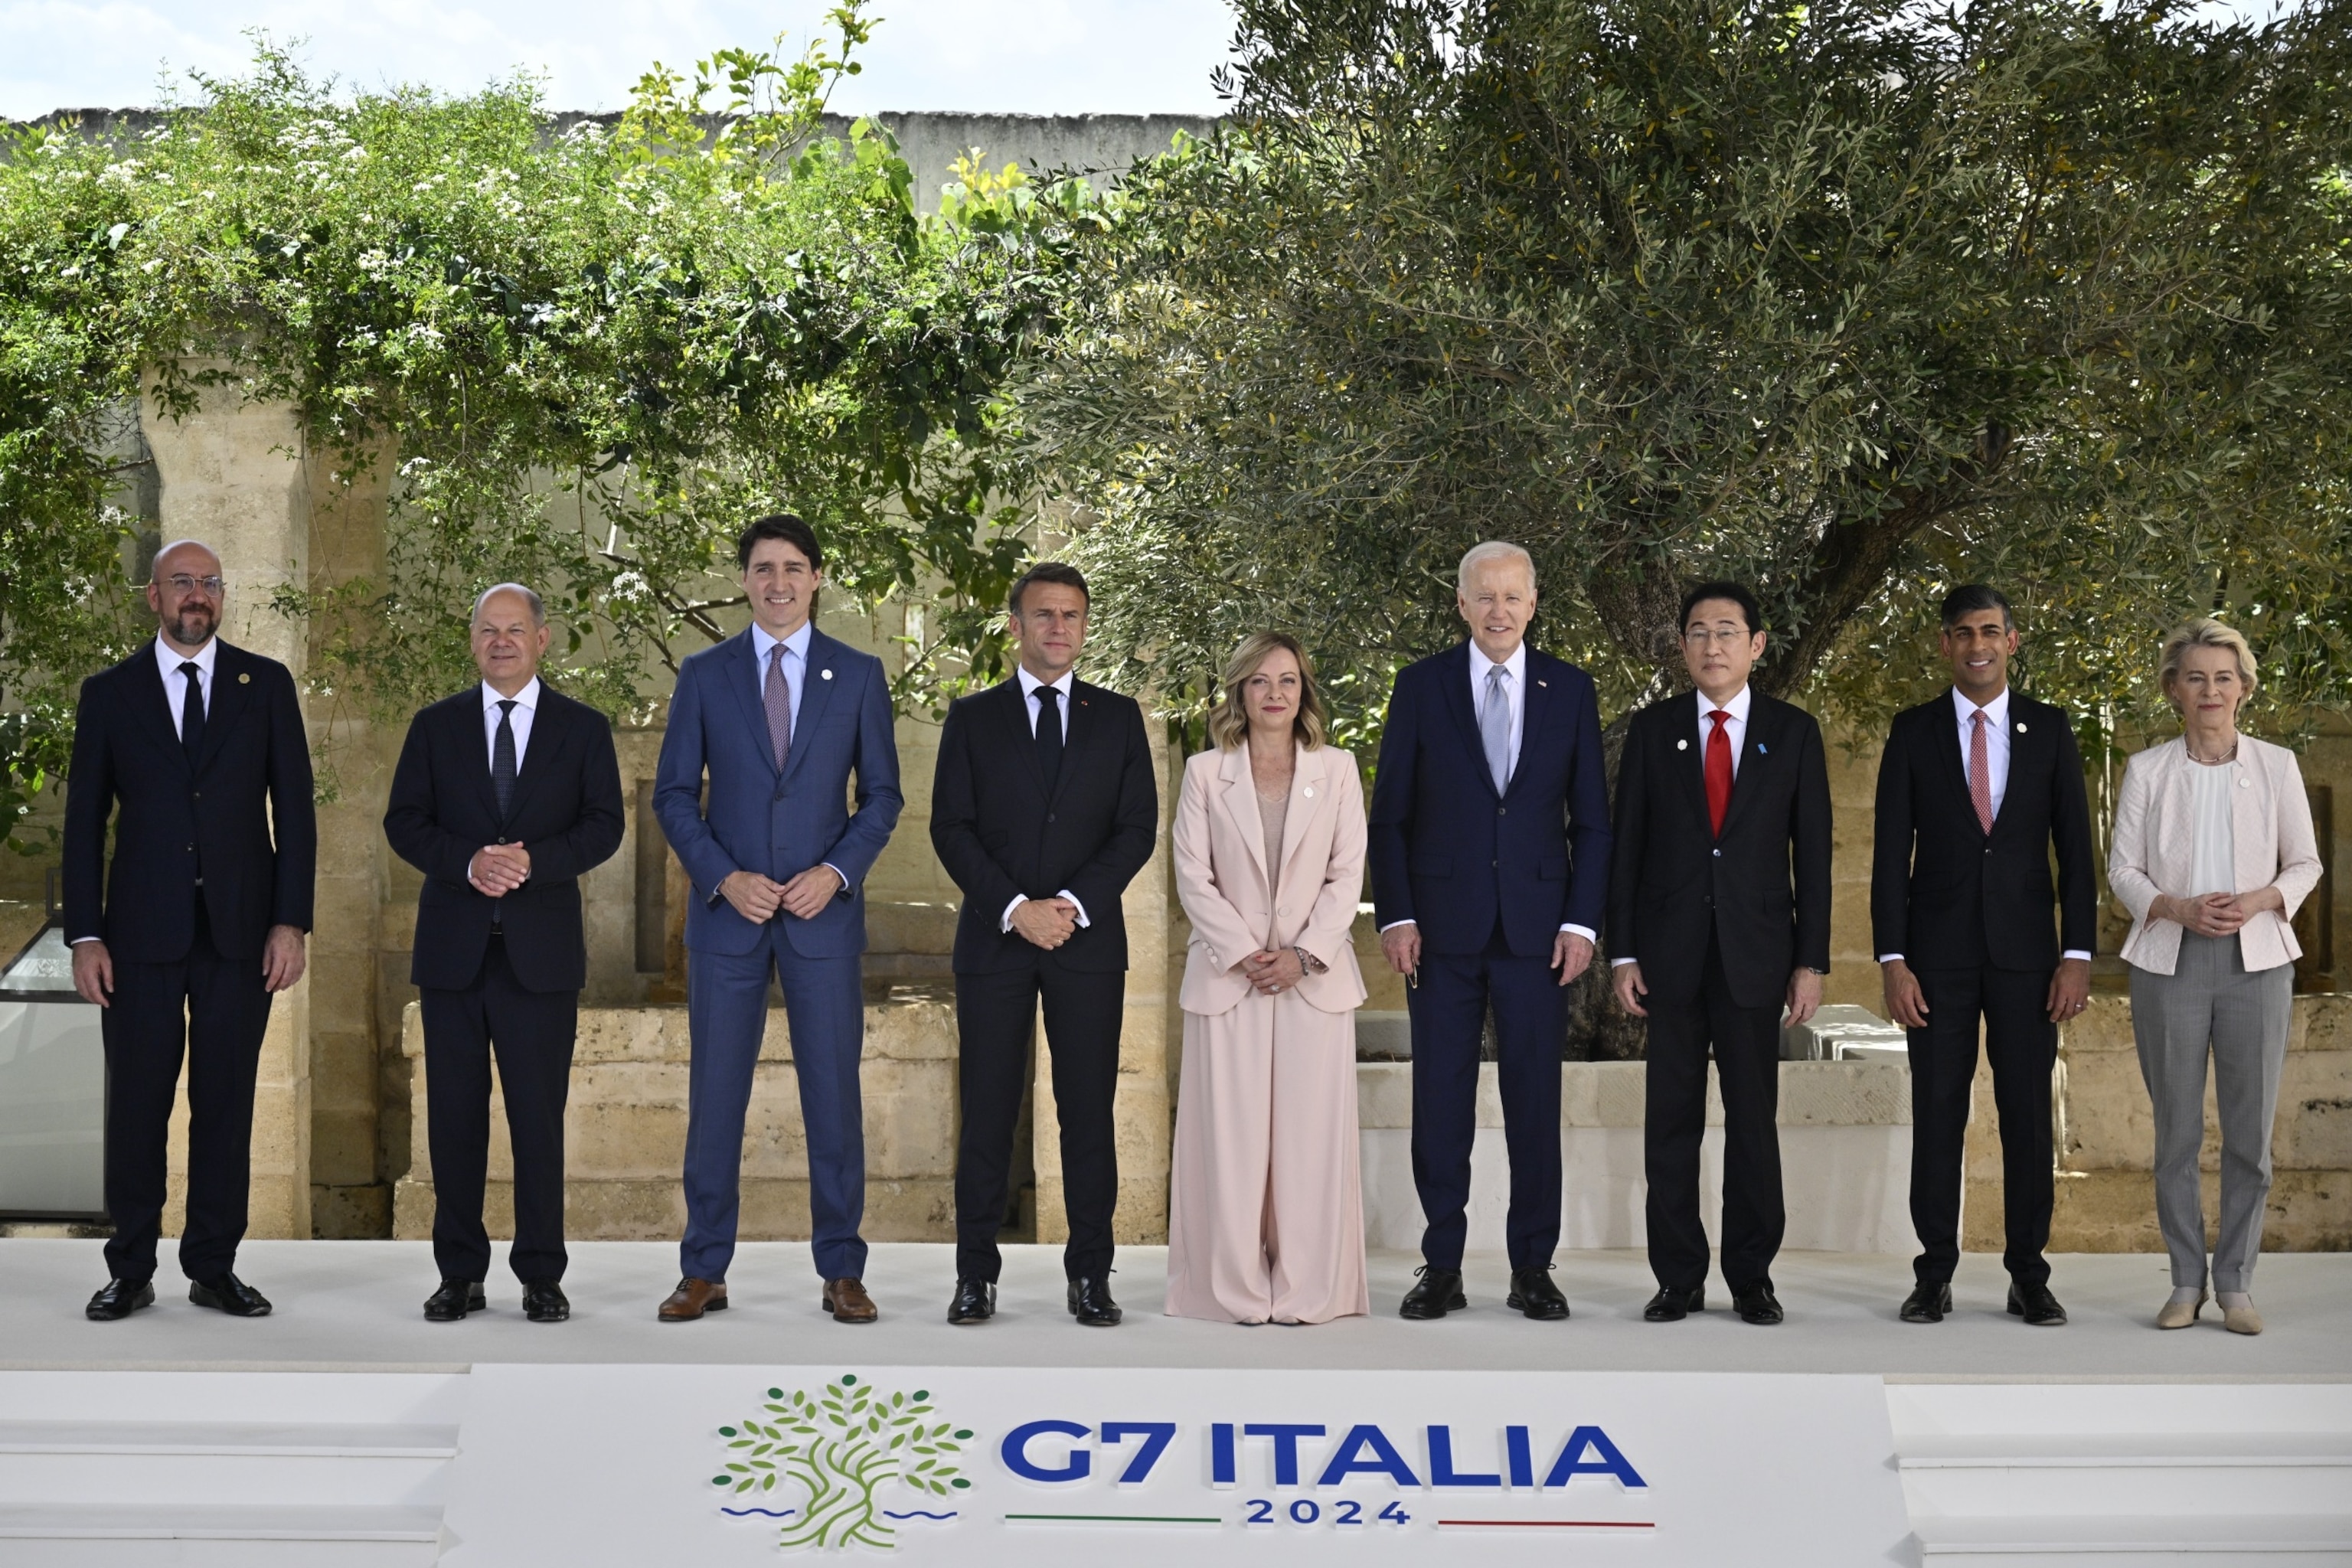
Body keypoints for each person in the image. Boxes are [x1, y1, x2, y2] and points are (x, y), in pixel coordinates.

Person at [652, 515, 903, 1325]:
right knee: (715, 1094)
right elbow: (671, 795)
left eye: (794, 567)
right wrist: (724, 877)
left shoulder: (858, 675)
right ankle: (703, 1268)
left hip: (821, 922)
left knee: (833, 1095)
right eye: (764, 568)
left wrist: (835, 873)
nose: (779, 581)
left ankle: (842, 1269)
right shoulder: (704, 674)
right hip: (728, 921)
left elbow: (884, 796)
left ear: (818, 578)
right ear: (746, 579)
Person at [65, 539, 315, 1321]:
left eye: (209, 582)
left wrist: (291, 920)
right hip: (137, 936)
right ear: (155, 596)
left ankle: (213, 1264)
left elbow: (297, 814)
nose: (197, 595)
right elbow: (82, 824)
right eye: (182, 583)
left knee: (226, 1103)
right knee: (137, 1104)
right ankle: (130, 1268)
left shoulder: (264, 685)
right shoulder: (110, 693)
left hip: (242, 934)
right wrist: (85, 935)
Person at [1368, 541, 1611, 1321]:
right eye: (1485, 596)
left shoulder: (1570, 690)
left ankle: (1532, 1267)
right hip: (1438, 933)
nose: (1499, 610)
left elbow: (1594, 824)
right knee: (1441, 1101)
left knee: (1535, 1102)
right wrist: (1397, 913)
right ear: (1462, 604)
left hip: (1540, 936)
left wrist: (1580, 920)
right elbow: (1391, 816)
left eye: (1513, 596)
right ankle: (1441, 1263)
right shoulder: (1420, 686)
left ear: (1534, 604)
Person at [383, 583, 625, 1324]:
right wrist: (468, 862)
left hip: (540, 957)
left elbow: (604, 826)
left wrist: (528, 864)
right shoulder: (435, 727)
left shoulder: (583, 729)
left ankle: (541, 1275)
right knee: (454, 1120)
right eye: (488, 630)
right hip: (454, 954)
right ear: (473, 639)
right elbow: (405, 822)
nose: (501, 642)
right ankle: (459, 1273)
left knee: (537, 1121)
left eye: (515, 630)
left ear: (543, 639)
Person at [931, 562, 1158, 1328]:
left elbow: (1136, 830)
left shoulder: (1120, 717)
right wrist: (1013, 907)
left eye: (1071, 615)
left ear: (1084, 626)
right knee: (989, 1109)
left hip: (1086, 941)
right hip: (996, 941)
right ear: (1015, 624)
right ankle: (975, 1275)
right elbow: (950, 827)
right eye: (1043, 614)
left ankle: (1091, 1274)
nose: (1058, 627)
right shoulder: (972, 717)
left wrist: (1069, 905)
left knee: (1086, 1109)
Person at [1609, 582, 1831, 1327]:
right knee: (1670, 1122)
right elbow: (1626, 852)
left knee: (1752, 1121)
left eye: (1728, 631)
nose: (1713, 645)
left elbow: (1817, 858)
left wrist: (1813, 960)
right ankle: (1677, 1276)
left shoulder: (1793, 732)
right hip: (1669, 958)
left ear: (1756, 644)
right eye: (1699, 632)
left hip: (1756, 956)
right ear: (1682, 646)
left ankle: (1751, 1276)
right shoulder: (1653, 731)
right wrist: (1623, 954)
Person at [1873, 584, 2096, 1327]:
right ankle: (1933, 1272)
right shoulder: (1912, 732)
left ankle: (2029, 1274)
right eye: (1963, 632)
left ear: (2013, 639)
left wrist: (2077, 953)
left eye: (1991, 631)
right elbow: (1886, 858)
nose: (1978, 644)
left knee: (2027, 1117)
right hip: (1934, 961)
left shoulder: (2051, 728)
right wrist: (1892, 959)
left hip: (2030, 960)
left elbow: (2076, 851)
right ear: (1945, 643)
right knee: (1938, 1114)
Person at [2109, 619, 2321, 1336]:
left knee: (2248, 1136)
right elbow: (2123, 871)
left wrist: (2262, 900)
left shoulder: (2277, 766)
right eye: (2195, 677)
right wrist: (2174, 907)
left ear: (2244, 688)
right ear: (2174, 690)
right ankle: (2184, 1281)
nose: (2210, 690)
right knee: (2174, 1133)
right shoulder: (2147, 770)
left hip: (2256, 964)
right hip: (2169, 963)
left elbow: (2305, 863)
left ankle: (2235, 1284)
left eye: (2224, 677)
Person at [1166, 632, 1371, 1325]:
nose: (1275, 693)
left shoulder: (1338, 770)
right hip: (1232, 979)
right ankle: (1229, 1291)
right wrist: (1247, 951)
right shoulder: (1204, 773)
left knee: (1310, 1144)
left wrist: (1304, 954)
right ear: (1240, 692)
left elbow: (1349, 874)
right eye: (1260, 681)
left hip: (1314, 981)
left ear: (1304, 690)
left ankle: (1312, 1289)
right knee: (1230, 1142)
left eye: (1287, 680)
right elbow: (1191, 874)